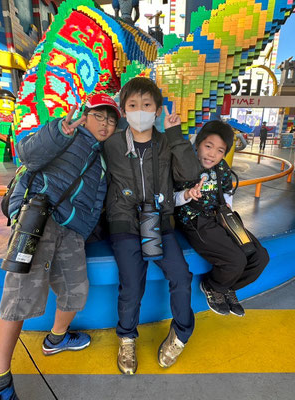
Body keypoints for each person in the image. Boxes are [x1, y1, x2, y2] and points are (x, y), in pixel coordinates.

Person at [0, 94, 120, 399]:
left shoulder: (102, 160)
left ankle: (56, 340)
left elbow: (95, 204)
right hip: (38, 219)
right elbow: (26, 154)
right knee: (19, 295)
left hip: (71, 230)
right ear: (85, 115)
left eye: (111, 120)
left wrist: (82, 230)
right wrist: (59, 130)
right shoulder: (64, 134)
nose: (105, 124)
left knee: (76, 290)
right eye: (99, 116)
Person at [103, 77, 202, 375]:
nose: (140, 111)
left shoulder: (166, 142)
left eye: (147, 105)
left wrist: (175, 135)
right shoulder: (112, 144)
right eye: (133, 105)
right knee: (132, 284)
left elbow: (190, 173)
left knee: (181, 276)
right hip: (124, 222)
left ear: (157, 110)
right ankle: (127, 338)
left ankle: (181, 334)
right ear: (123, 111)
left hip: (160, 221)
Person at [174, 120, 269, 316]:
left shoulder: (222, 167)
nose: (212, 154)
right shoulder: (184, 165)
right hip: (195, 219)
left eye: (219, 150)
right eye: (208, 146)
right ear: (198, 143)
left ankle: (227, 287)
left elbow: (227, 190)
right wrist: (187, 194)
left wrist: (227, 210)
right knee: (235, 260)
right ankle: (213, 286)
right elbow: (168, 198)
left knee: (260, 257)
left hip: (220, 217)